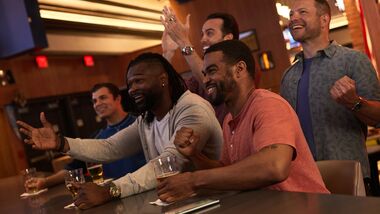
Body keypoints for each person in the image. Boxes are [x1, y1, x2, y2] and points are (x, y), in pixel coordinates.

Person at [17, 53, 223, 209]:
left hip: (217, 201)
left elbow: (170, 162)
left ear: (163, 79)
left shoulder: (192, 109)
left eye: (138, 81)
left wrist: (110, 190)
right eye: (130, 84)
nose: (132, 89)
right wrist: (61, 143)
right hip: (181, 204)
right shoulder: (147, 119)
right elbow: (110, 147)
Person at [157, 40, 329, 203]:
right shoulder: (229, 120)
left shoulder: (268, 105)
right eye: (204, 74)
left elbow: (275, 166)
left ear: (239, 69)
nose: (205, 80)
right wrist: (195, 154)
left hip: (305, 206)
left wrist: (193, 180)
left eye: (212, 71)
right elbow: (227, 173)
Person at [280, 0, 380, 180]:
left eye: (302, 12)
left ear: (324, 19)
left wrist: (354, 102)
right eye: (291, 14)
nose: (294, 18)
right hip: (305, 182)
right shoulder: (288, 77)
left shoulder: (353, 61)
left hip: (349, 178)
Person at [24, 83, 146, 191]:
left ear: (118, 98)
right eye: (94, 101)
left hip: (144, 189)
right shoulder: (96, 138)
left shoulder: (142, 123)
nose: (98, 104)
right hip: (113, 194)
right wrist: (44, 182)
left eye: (103, 98)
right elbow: (72, 169)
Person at [161, 8, 240, 125]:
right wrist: (168, 53)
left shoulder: (238, 63)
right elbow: (174, 94)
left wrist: (183, 41)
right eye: (202, 34)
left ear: (227, 38)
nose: (203, 39)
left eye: (209, 33)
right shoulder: (197, 73)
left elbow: (211, 86)